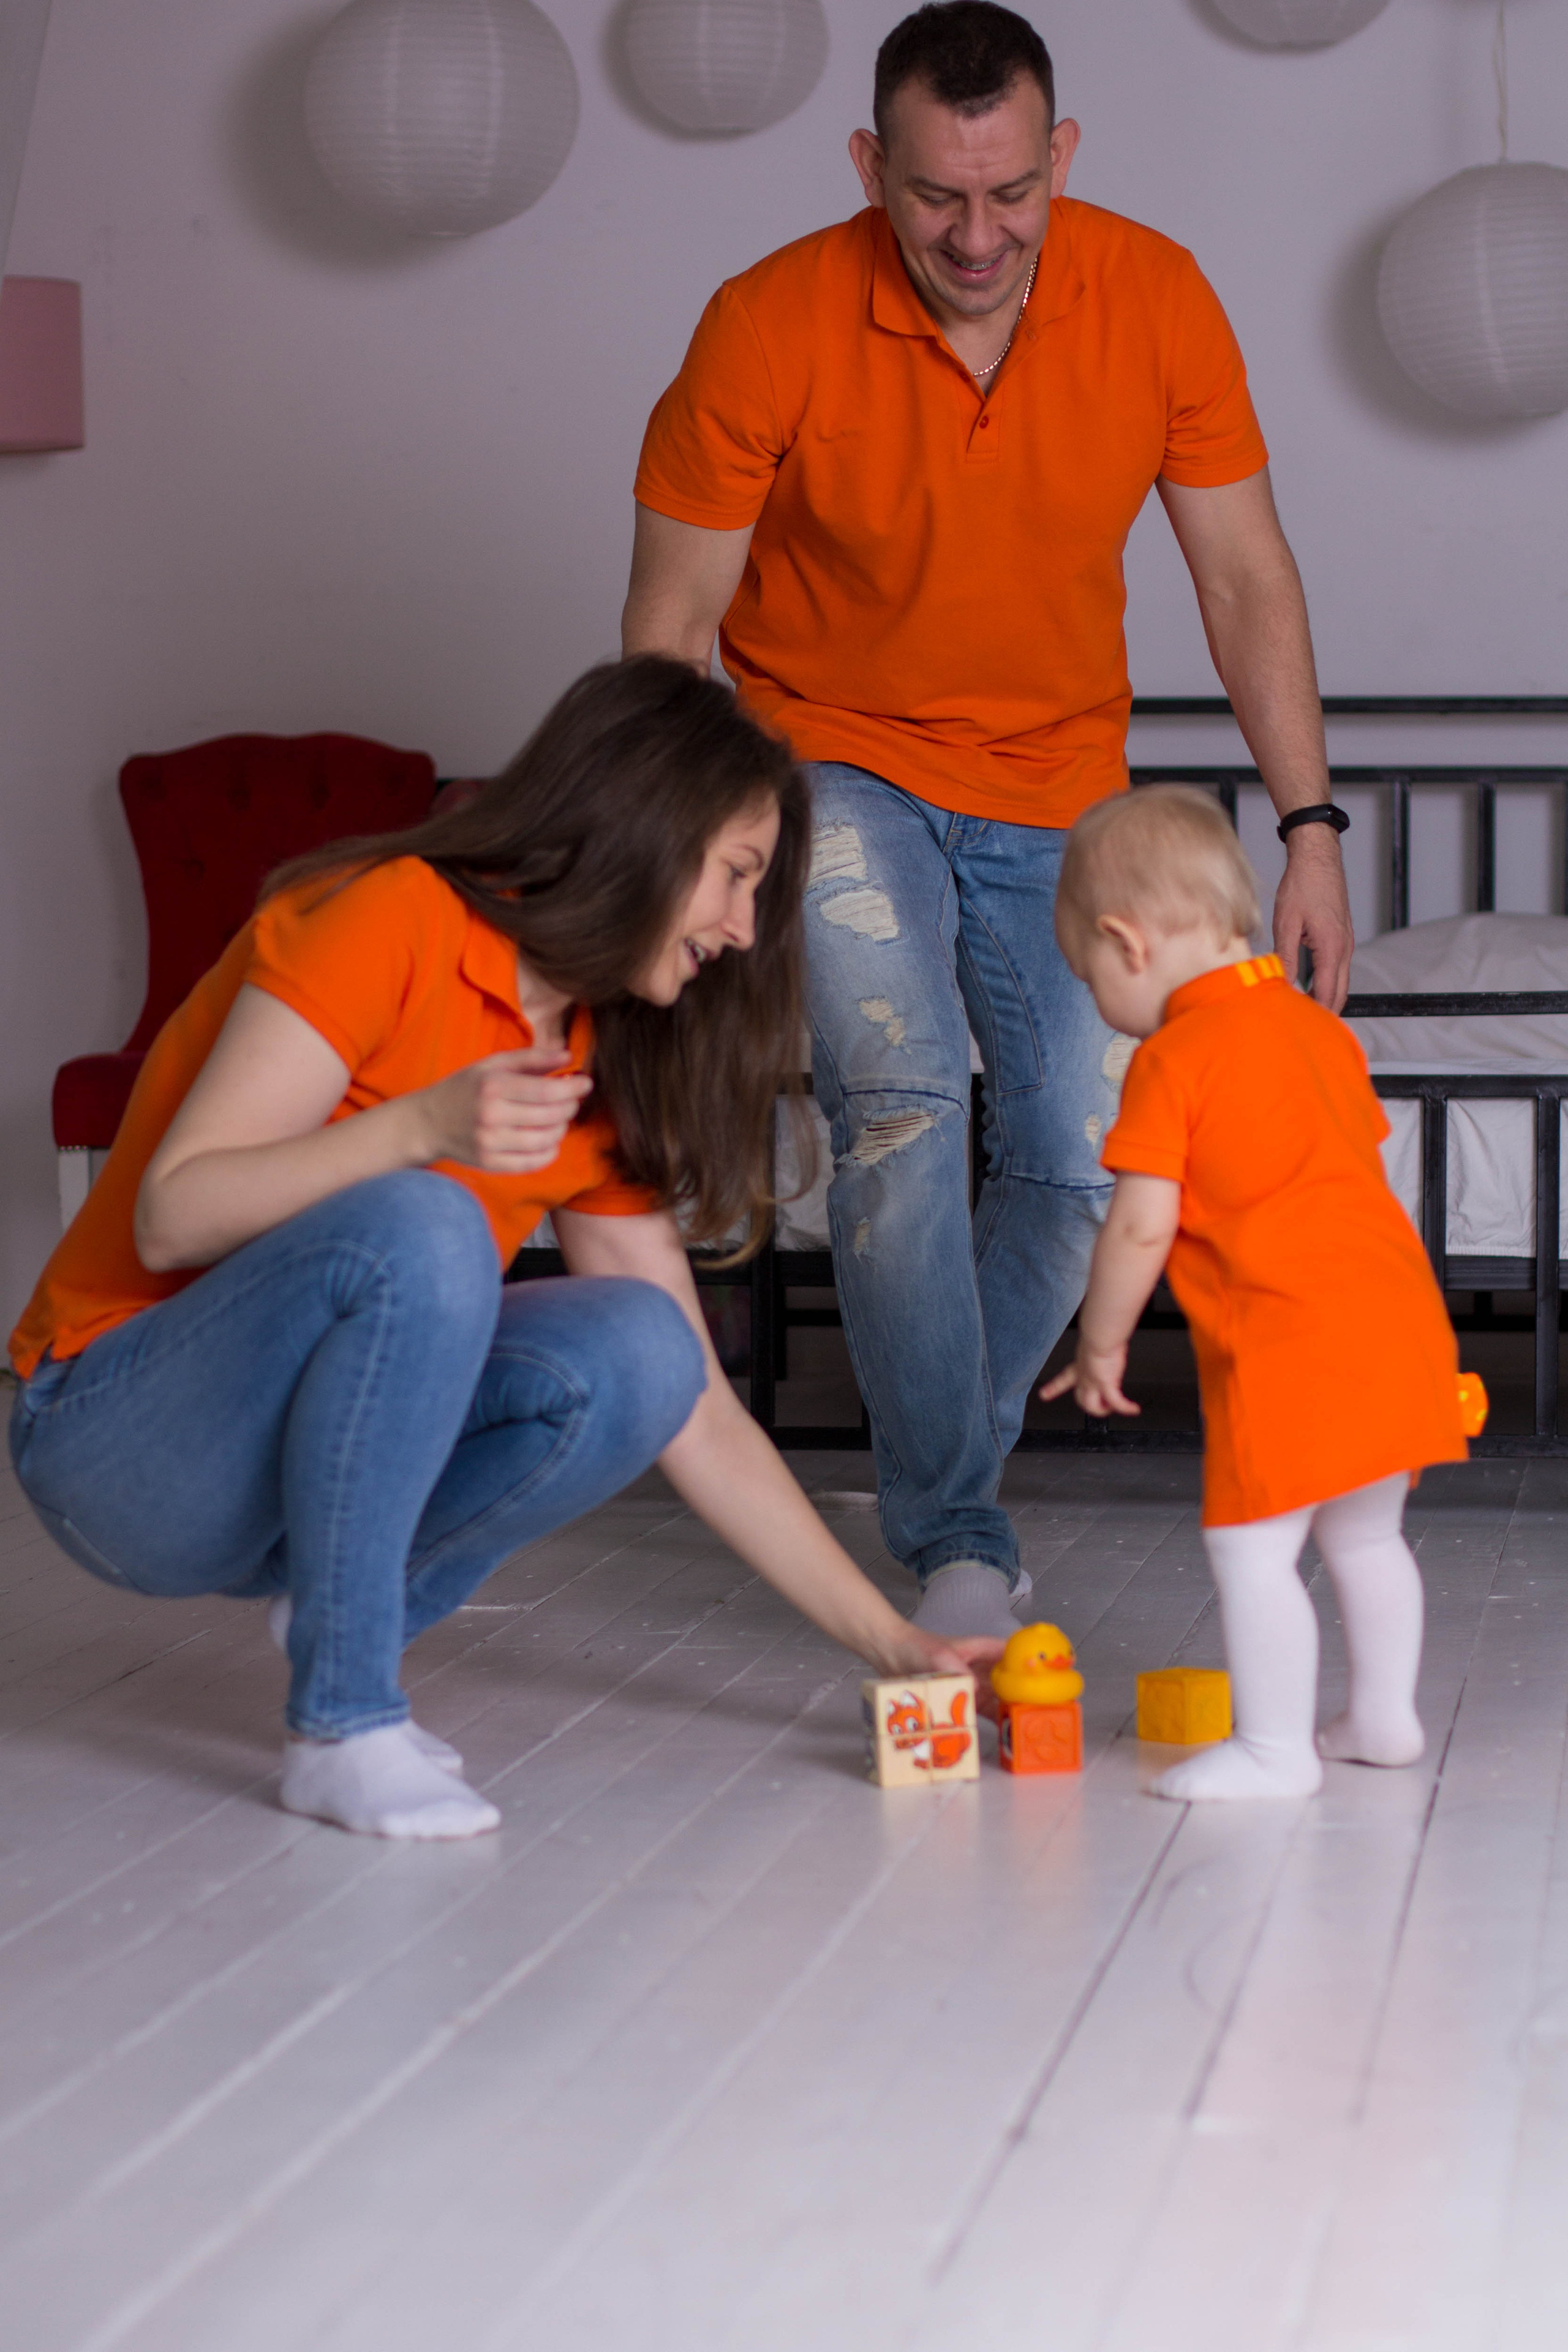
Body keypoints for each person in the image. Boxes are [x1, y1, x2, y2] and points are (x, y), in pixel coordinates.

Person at [622, 0, 1355, 1643]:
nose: (976, 234)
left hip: (1059, 782)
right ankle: (955, 1523)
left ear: (1060, 159)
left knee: (1088, 1152)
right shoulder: (769, 322)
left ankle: (944, 1468)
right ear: (872, 165)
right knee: (896, 1096)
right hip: (829, 761)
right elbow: (672, 626)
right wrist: (698, 850)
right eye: (937, 196)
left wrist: (1308, 828)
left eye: (1011, 193)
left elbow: (1242, 578)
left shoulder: (1155, 297)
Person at [8, 658, 998, 1842]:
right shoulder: (391, 916)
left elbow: (699, 1415)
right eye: (736, 875)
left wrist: (897, 1643)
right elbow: (174, 1212)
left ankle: (347, 1610)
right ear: (644, 826)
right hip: (113, 1439)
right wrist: (419, 1128)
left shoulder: (598, 1054)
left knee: (645, 1349)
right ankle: (342, 1719)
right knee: (422, 1222)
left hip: (277, 1482)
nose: (742, 930)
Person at [1041, 788, 1468, 1801]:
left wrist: (1101, 1343)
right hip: (1401, 1319)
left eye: (1089, 978)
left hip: (1289, 1339)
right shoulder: (1321, 1033)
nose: (1100, 1001)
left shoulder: (1173, 1057)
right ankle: (1383, 1717)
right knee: (1365, 1531)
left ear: (1126, 943)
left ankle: (1277, 1752)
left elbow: (1141, 1222)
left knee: (1248, 1545)